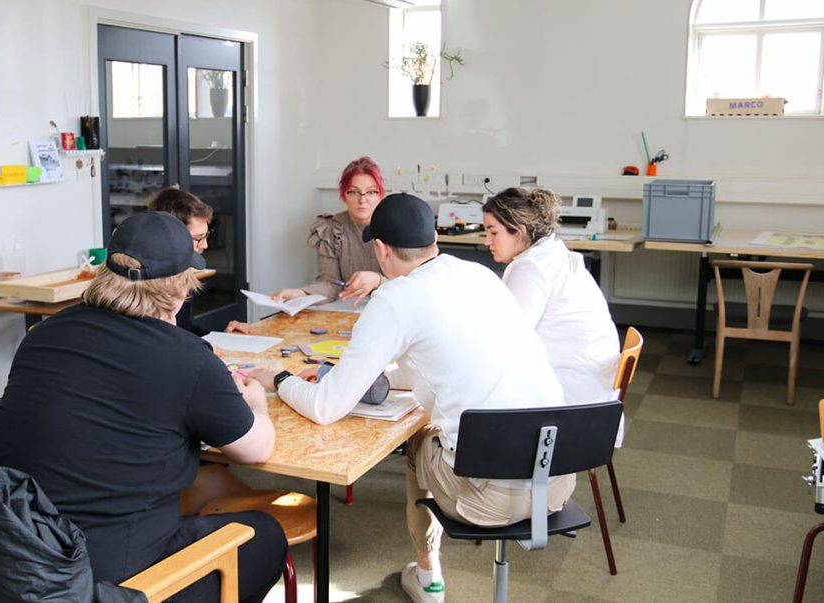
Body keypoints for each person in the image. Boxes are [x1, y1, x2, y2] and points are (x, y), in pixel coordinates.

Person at [254, 193, 570, 603]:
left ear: (381, 250)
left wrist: (278, 378)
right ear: (434, 238)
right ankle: (427, 570)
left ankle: (428, 574)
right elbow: (440, 361)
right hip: (557, 479)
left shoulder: (394, 299)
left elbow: (325, 407)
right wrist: (369, 380)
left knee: (421, 438)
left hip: (491, 500)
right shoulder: (480, 274)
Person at [0, 211, 286, 602]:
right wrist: (257, 402)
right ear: (180, 289)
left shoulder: (42, 334)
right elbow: (256, 450)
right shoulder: (189, 359)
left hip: (8, 554)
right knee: (264, 534)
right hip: (101, 584)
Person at [482, 187, 620, 407]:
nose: (486, 241)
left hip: (573, 397)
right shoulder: (554, 255)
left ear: (519, 230)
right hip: (597, 389)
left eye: (493, 232)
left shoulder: (530, 267)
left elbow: (508, 338)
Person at [271, 156, 386, 305]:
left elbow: (410, 283)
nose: (362, 200)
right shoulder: (331, 228)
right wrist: (301, 293)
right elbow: (330, 283)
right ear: (344, 195)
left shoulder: (397, 226)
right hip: (347, 309)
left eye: (371, 192)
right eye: (353, 192)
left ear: (380, 195)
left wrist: (378, 280)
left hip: (389, 308)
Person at [147, 186, 252, 335]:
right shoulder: (145, 285)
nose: (205, 245)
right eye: (198, 238)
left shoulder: (181, 273)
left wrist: (222, 336)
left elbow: (184, 330)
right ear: (171, 236)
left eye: (206, 235)